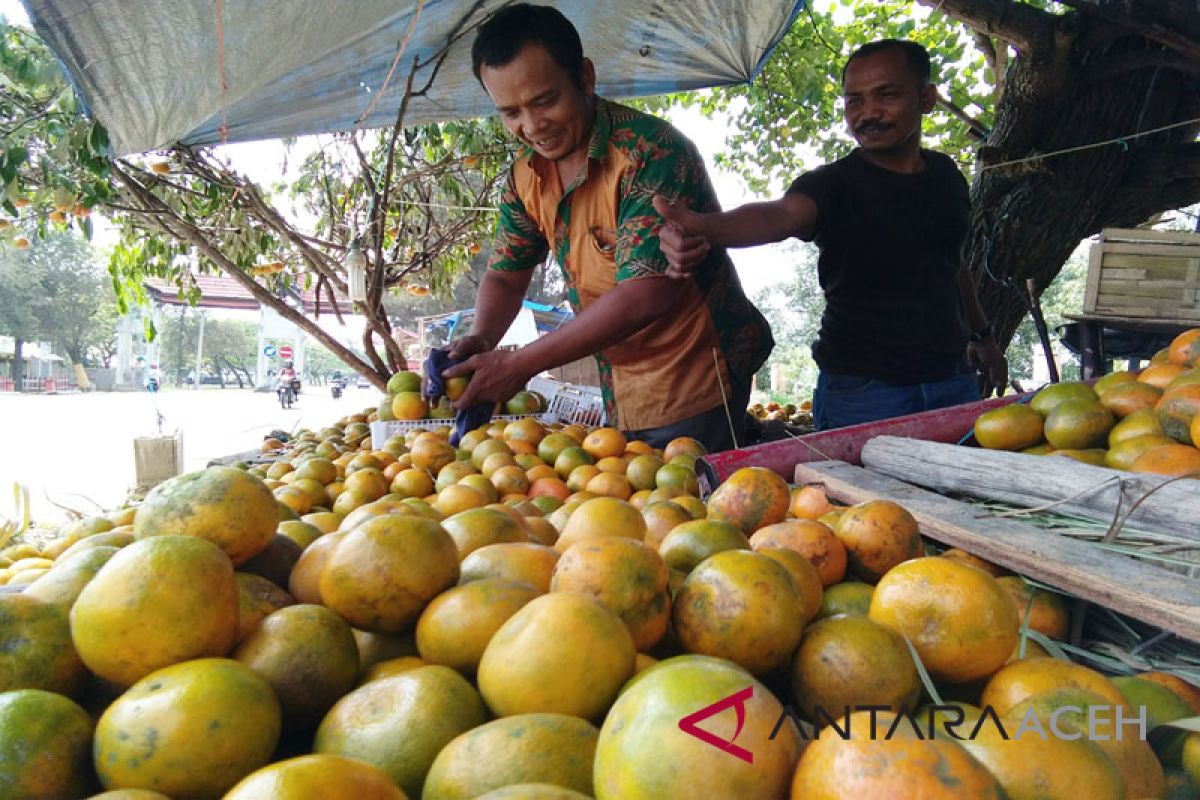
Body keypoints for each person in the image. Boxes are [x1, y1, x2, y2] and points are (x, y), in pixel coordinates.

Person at [442, 3, 773, 452]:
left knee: (693, 510)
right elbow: (505, 272)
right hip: (620, 386)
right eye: (511, 112)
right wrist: (481, 337)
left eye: (545, 101)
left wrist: (520, 363)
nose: (532, 126)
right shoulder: (524, 176)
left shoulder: (651, 153)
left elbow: (645, 294)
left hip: (696, 378)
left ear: (585, 77)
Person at [655, 39, 1008, 431]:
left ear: (926, 98)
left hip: (952, 383)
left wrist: (983, 336)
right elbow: (781, 216)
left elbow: (953, 263)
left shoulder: (946, 176)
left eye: (886, 95)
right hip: (863, 394)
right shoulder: (832, 185)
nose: (869, 113)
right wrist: (705, 228)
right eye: (854, 101)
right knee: (854, 496)